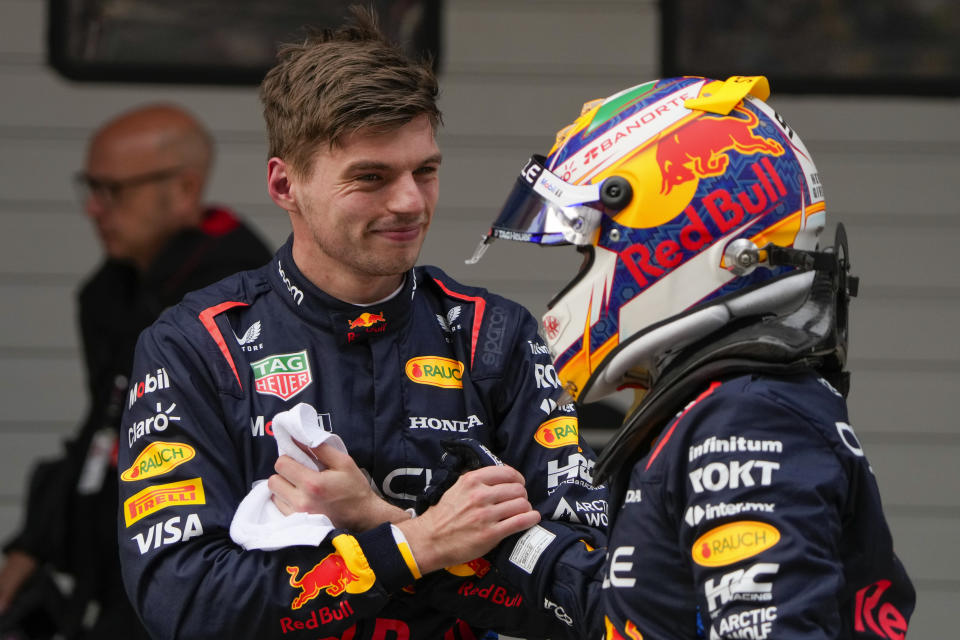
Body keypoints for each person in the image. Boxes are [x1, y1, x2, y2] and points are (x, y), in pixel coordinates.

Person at [116, 8, 608, 640]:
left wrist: (379, 520)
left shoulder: (497, 335)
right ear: (285, 184)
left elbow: (593, 593)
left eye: (424, 171)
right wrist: (420, 543)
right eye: (371, 178)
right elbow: (185, 606)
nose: (408, 202)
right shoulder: (196, 346)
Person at [468, 75, 915, 638]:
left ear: (679, 236)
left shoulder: (748, 416)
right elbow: (634, 614)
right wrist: (486, 539)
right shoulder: (717, 403)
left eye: (587, 251)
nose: (580, 275)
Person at [0, 104, 272, 639]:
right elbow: (104, 426)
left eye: (113, 191)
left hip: (199, 568)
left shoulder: (243, 291)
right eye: (90, 188)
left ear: (185, 189)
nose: (94, 209)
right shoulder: (109, 290)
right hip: (113, 557)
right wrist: (31, 547)